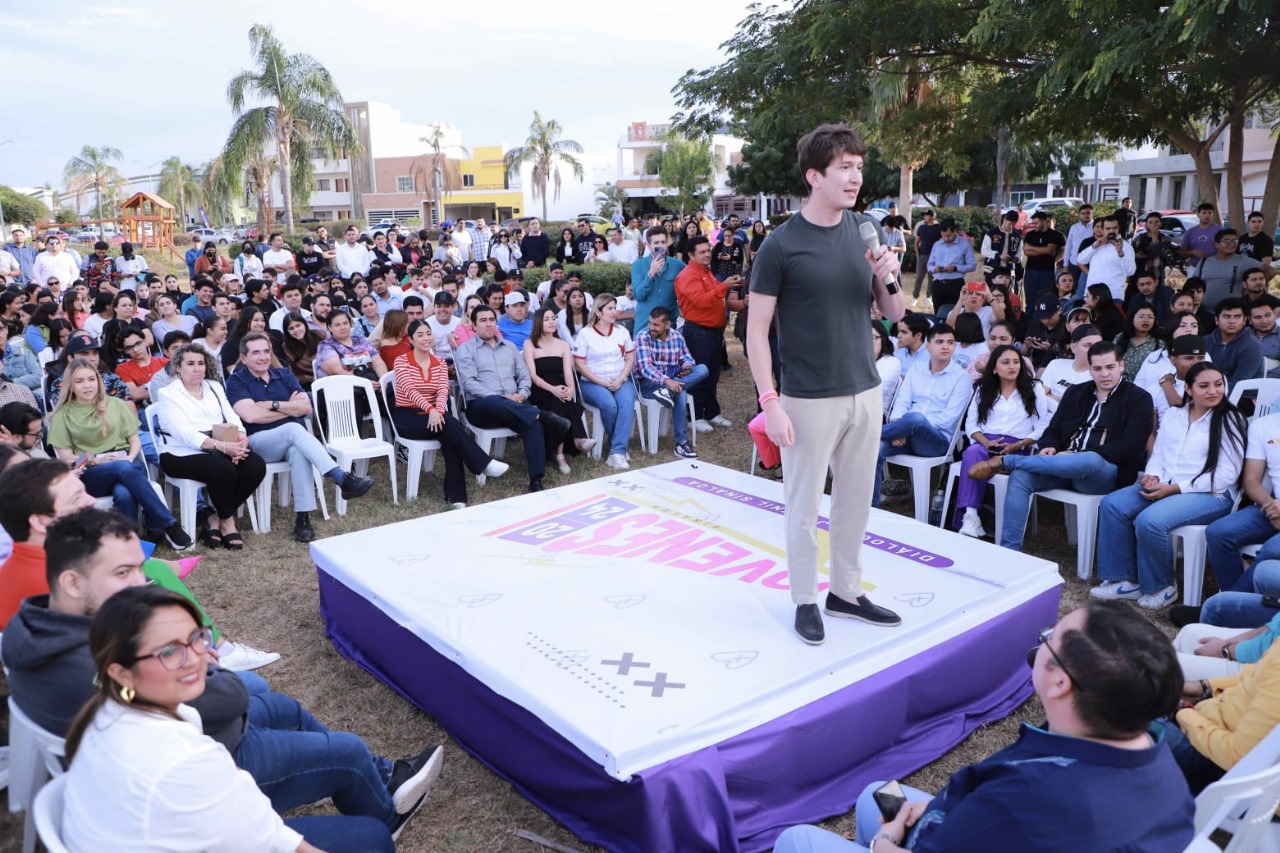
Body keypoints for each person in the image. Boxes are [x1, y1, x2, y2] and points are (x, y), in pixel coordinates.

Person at [773, 602, 1193, 853]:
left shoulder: (1026, 799)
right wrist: (941, 807)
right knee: (877, 794)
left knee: (798, 841)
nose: (1042, 641)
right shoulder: (1158, 750)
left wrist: (886, 840)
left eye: (1049, 639)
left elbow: (1010, 812)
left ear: (1060, 682)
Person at [749, 124, 906, 645]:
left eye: (859, 167)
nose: (856, 176)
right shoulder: (780, 245)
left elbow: (894, 313)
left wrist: (888, 274)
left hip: (864, 389)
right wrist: (770, 402)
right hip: (807, 397)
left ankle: (846, 591)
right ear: (815, 176)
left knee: (856, 500)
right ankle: (804, 599)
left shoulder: (866, 231)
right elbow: (755, 333)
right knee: (803, 506)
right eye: (845, 167)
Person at [971, 342, 1154, 553]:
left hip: (1103, 474)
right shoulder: (1076, 392)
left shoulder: (1139, 398)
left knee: (1090, 459)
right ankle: (1010, 552)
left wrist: (1074, 456)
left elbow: (1131, 446)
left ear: (1121, 366)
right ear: (1090, 369)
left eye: (1110, 367)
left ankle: (1006, 461)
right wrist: (1049, 446)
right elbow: (1053, 430)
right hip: (1061, 466)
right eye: (1097, 368)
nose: (1104, 374)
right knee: (1021, 476)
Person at [1092, 362, 1245, 609]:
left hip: (1211, 494)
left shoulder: (1231, 419)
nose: (1213, 391)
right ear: (1188, 388)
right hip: (1166, 484)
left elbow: (1228, 473)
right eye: (1204, 386)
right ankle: (1125, 580)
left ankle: (1162, 587)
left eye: (1218, 385)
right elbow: (1160, 453)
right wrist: (1152, 476)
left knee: (1150, 520)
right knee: (1113, 504)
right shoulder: (1175, 414)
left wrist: (1175, 488)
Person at [227, 332, 375, 542]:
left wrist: (272, 405)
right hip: (260, 443)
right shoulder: (237, 381)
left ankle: (303, 520)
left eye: (266, 351)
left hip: (292, 441)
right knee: (294, 430)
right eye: (256, 352)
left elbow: (305, 407)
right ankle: (341, 477)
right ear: (243, 358)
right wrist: (289, 408)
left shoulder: (284, 375)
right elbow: (251, 415)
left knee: (298, 449)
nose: (263, 357)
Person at [155, 344, 266, 551]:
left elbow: (231, 415)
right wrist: (223, 447)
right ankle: (228, 522)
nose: (197, 368)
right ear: (178, 367)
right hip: (179, 452)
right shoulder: (168, 393)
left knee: (255, 464)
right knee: (222, 468)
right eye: (190, 364)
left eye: (200, 363)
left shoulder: (213, 386)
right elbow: (184, 433)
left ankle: (215, 519)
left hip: (219, 447)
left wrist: (241, 438)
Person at [392, 321, 509, 507]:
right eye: (420, 335)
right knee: (451, 426)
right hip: (408, 417)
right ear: (411, 340)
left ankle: (457, 499)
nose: (425, 338)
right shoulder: (402, 361)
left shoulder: (438, 362)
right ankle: (482, 465)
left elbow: (442, 390)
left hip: (435, 415)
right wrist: (431, 410)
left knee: (450, 434)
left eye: (428, 333)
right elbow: (409, 390)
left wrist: (437, 411)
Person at [455, 305, 569, 493]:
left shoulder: (509, 347)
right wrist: (501, 397)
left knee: (533, 424)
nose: (488, 324)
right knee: (495, 401)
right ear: (474, 325)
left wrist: (522, 394)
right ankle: (544, 414)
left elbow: (524, 375)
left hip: (515, 404)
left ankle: (536, 479)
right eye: (483, 321)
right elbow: (469, 384)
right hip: (482, 407)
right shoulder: (466, 350)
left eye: (492, 320)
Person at [953, 345, 1050, 538]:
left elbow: (1043, 425)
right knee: (973, 453)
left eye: (1016, 362)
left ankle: (970, 518)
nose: (1012, 366)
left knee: (974, 458)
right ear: (995, 368)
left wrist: (1020, 444)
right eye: (1005, 362)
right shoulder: (984, 389)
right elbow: (972, 424)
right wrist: (986, 442)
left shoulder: (1034, 388)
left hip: (1017, 447)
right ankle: (971, 517)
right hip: (987, 442)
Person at [873, 323, 972, 506]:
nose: (945, 346)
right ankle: (871, 509)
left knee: (916, 418)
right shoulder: (916, 370)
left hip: (936, 441)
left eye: (950, 343)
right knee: (876, 448)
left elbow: (948, 420)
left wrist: (907, 428)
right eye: (940, 342)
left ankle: (866, 432)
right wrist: (898, 425)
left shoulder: (961, 378)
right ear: (928, 346)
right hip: (905, 434)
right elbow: (902, 403)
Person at [1204, 411, 1280, 594]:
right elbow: (1251, 481)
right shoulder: (1263, 425)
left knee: (1271, 551)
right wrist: (1271, 507)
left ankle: (1224, 608)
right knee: (1219, 533)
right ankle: (1235, 605)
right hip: (1272, 506)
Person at [675, 235, 738, 431]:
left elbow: (713, 298)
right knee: (698, 375)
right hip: (698, 332)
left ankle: (712, 412)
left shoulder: (705, 271)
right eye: (702, 252)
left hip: (713, 331)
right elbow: (701, 301)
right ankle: (695, 416)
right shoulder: (687, 276)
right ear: (690, 255)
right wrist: (723, 286)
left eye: (708, 250)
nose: (707, 254)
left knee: (712, 374)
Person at [523, 307, 594, 473]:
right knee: (558, 399)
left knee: (564, 398)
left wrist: (570, 389)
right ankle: (577, 440)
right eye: (547, 319)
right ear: (539, 322)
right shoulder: (530, 344)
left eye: (554, 318)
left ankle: (560, 453)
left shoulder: (563, 345)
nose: (552, 322)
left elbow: (569, 373)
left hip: (559, 385)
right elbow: (533, 376)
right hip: (539, 389)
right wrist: (553, 389)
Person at [633, 306, 708, 459]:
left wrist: (687, 366)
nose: (651, 328)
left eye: (656, 325)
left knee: (703, 369)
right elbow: (645, 368)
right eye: (650, 323)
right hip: (650, 382)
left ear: (667, 325)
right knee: (681, 393)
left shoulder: (676, 336)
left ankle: (670, 391)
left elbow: (687, 357)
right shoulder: (642, 336)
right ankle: (681, 443)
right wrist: (667, 382)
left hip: (673, 376)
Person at [573, 294, 638, 469]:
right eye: (609, 308)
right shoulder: (586, 334)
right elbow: (578, 364)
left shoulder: (622, 331)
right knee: (609, 405)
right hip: (592, 382)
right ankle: (618, 446)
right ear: (599, 312)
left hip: (620, 379)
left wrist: (621, 378)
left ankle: (616, 452)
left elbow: (630, 359)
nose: (614, 311)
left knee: (626, 402)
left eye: (614, 307)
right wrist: (601, 382)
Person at [632, 225, 686, 331]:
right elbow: (638, 296)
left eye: (663, 242)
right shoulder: (638, 265)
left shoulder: (677, 265)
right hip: (645, 325)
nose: (660, 246)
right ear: (648, 245)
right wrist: (651, 273)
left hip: (668, 326)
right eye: (656, 243)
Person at [1205, 297, 1264, 388]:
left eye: (1237, 317)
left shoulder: (1252, 346)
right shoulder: (1204, 342)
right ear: (1216, 320)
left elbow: (1239, 384)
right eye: (1226, 316)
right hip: (1207, 392)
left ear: (1245, 320)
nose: (1232, 321)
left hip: (1243, 396)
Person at [1076, 215, 1135, 302]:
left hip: (1113, 296)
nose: (1112, 231)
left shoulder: (1126, 247)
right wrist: (1094, 247)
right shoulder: (1097, 245)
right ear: (1102, 230)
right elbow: (1080, 260)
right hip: (1091, 295)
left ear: (1118, 228)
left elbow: (1130, 271)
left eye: (1114, 228)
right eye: (1108, 228)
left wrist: (1120, 253)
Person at [925, 219, 976, 314]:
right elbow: (929, 265)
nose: (946, 238)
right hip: (938, 284)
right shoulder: (937, 245)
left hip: (956, 285)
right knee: (939, 314)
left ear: (955, 231)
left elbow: (972, 265)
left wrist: (956, 268)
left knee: (956, 313)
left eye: (949, 235)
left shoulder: (964, 245)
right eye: (943, 236)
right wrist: (934, 269)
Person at [1021, 211, 1066, 308]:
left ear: (1044, 222)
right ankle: (1030, 321)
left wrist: (1031, 248)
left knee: (1045, 299)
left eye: (1036, 223)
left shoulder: (1054, 235)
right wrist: (1045, 251)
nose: (1034, 226)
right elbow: (1026, 252)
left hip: (1047, 272)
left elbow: (1050, 250)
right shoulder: (1030, 235)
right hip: (1030, 271)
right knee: (1030, 300)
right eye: (1033, 223)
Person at [1114, 304, 1162, 382]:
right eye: (1141, 316)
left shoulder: (1159, 343)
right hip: (1118, 384)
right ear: (1132, 318)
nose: (1146, 320)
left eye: (1150, 317)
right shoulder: (1120, 338)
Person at [281, 312, 322, 390]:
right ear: (287, 332)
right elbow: (292, 373)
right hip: (306, 385)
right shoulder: (286, 347)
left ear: (304, 324)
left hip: (327, 377)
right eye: (291, 328)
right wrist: (309, 379)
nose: (296, 330)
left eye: (298, 325)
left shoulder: (318, 335)